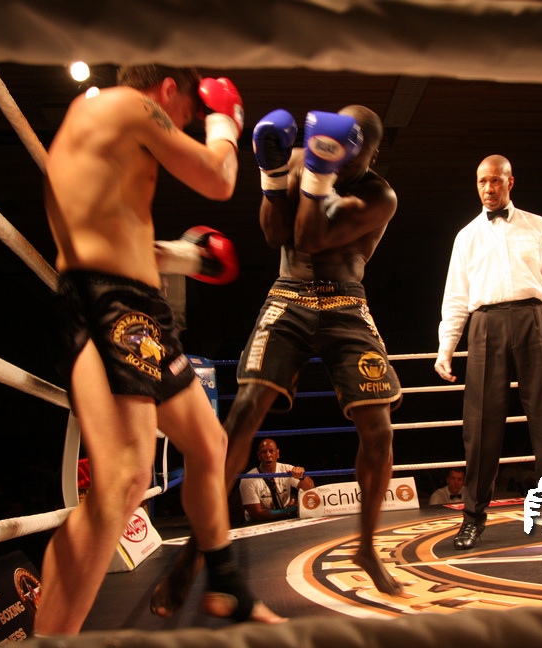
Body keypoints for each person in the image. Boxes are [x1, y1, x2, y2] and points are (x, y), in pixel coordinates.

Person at [39, 63, 282, 634]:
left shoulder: (104, 128)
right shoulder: (131, 104)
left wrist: (184, 256)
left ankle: (226, 587)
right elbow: (219, 178)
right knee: (124, 478)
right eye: (190, 112)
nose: (187, 123)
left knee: (208, 442)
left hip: (137, 308)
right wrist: (224, 121)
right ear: (168, 89)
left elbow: (114, 233)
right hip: (109, 304)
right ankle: (51, 637)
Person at [151, 105, 404, 610]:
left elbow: (311, 237)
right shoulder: (299, 157)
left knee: (378, 430)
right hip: (289, 293)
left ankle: (367, 547)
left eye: (358, 151)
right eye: (341, 147)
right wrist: (272, 175)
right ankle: (197, 552)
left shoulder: (380, 195)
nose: (347, 156)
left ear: (373, 154)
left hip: (346, 302)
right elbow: (275, 235)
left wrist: (316, 170)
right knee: (243, 414)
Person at [434, 154, 542, 553]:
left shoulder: (538, 226)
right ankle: (472, 519)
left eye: (495, 180)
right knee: (479, 427)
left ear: (510, 182)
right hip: (485, 325)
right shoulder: (466, 236)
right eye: (482, 181)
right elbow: (455, 297)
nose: (488, 188)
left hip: (534, 320)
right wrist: (446, 348)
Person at [239, 438, 315, 522]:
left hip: (285, 519)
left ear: (277, 454)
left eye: (271, 451)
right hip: (258, 523)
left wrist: (302, 476)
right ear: (259, 456)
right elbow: (257, 514)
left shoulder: (286, 470)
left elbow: (310, 488)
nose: (268, 455)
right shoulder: (249, 479)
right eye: (264, 452)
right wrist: (289, 510)